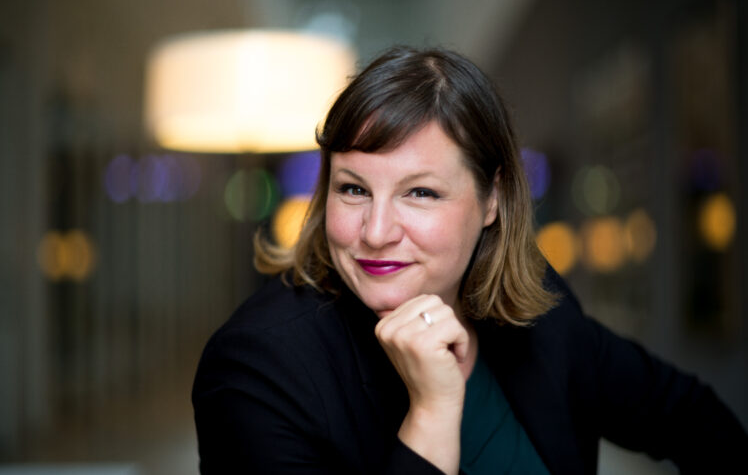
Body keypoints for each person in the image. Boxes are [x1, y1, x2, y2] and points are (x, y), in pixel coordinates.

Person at [192, 46, 747, 474]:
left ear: (492, 200)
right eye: (354, 189)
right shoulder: (257, 367)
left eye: (421, 193)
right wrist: (431, 414)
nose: (376, 233)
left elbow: (691, 416)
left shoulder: (537, 305)